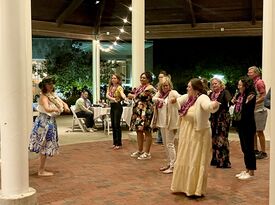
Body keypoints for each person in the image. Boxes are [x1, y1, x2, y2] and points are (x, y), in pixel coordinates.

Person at [171, 78, 219, 197]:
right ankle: (182, 186)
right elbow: (177, 101)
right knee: (185, 157)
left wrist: (214, 104)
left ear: (195, 89)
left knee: (195, 159)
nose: (187, 89)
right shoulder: (188, 97)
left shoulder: (202, 98)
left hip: (199, 133)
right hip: (187, 133)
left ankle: (194, 189)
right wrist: (173, 100)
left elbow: (208, 107)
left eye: (189, 87)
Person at [29, 76, 70, 176]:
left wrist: (65, 106)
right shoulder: (43, 96)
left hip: (50, 121)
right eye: (49, 84)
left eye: (52, 84)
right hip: (44, 122)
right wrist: (56, 109)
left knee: (46, 144)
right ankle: (41, 170)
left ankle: (41, 169)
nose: (51, 86)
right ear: (44, 86)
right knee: (44, 144)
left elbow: (63, 102)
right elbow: (47, 108)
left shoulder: (52, 95)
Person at [152, 76, 180, 174]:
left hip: (171, 123)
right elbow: (153, 99)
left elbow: (180, 98)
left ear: (170, 85)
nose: (165, 87)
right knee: (165, 144)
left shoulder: (173, 93)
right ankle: (169, 163)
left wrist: (175, 100)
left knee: (170, 144)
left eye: (166, 85)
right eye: (163, 86)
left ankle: (174, 165)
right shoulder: (160, 94)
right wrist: (159, 99)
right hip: (162, 122)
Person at [232, 76, 256, 180]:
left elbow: (247, 110)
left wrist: (239, 102)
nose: (238, 87)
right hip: (240, 124)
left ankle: (251, 171)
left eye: (240, 85)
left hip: (248, 125)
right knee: (244, 148)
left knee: (249, 148)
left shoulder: (250, 95)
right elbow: (234, 104)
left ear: (246, 85)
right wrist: (234, 100)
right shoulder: (240, 95)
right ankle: (247, 169)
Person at [128, 72, 156, 160]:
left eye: (144, 78)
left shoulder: (150, 88)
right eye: (141, 77)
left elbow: (142, 96)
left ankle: (147, 152)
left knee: (147, 131)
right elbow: (133, 95)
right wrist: (133, 95)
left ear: (149, 79)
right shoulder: (140, 87)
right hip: (138, 112)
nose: (142, 79)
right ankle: (140, 150)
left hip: (146, 112)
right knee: (138, 131)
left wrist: (133, 95)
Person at [209, 78, 232, 168]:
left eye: (216, 83)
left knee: (222, 139)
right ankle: (215, 159)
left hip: (223, 118)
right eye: (213, 84)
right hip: (213, 118)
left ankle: (223, 161)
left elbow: (229, 101)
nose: (214, 85)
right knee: (214, 139)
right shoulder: (211, 94)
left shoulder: (225, 92)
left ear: (220, 84)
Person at [247, 66, 268, 159]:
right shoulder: (253, 83)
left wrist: (253, 103)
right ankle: (255, 150)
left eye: (250, 72)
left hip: (260, 110)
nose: (248, 73)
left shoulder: (259, 82)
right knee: (253, 131)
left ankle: (263, 152)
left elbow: (264, 96)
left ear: (256, 73)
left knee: (259, 131)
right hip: (255, 110)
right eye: (248, 72)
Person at [106, 74, 127, 150]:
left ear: (118, 80)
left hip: (118, 106)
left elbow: (122, 94)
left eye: (115, 78)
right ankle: (114, 142)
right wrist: (113, 99)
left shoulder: (119, 87)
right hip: (112, 106)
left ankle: (119, 143)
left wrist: (125, 98)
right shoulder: (110, 87)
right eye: (112, 78)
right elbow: (107, 95)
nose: (113, 79)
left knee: (117, 124)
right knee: (113, 125)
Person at [155, 70, 170, 145]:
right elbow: (155, 97)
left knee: (164, 123)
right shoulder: (158, 85)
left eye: (161, 77)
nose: (160, 78)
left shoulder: (168, 86)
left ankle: (161, 139)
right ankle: (160, 138)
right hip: (159, 106)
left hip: (166, 108)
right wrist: (158, 99)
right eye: (159, 77)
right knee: (160, 122)